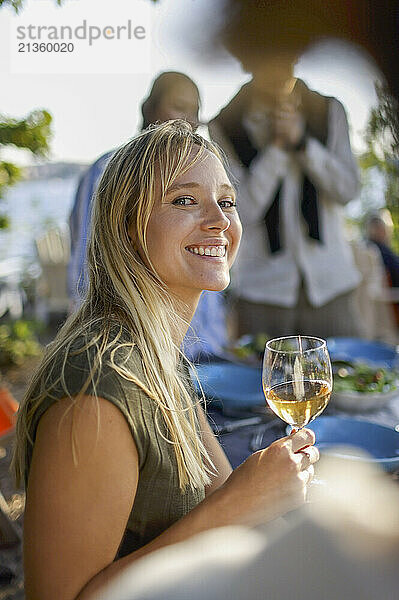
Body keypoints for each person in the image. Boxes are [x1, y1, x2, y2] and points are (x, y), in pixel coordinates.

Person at [13, 121, 319, 600]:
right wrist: (243, 503)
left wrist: (266, 496)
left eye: (227, 200)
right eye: (184, 200)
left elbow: (223, 496)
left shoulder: (158, 356)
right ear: (129, 227)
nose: (220, 219)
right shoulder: (98, 387)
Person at [68, 71, 227, 361]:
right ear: (148, 108)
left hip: (207, 358)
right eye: (179, 107)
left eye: (195, 113)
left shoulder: (201, 175)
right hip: (144, 355)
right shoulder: (107, 174)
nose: (188, 122)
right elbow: (86, 272)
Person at [209, 53, 362, 339]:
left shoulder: (329, 111)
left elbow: (348, 190)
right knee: (260, 382)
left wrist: (304, 144)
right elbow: (239, 212)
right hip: (263, 291)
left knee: (346, 380)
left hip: (332, 283)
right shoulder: (225, 125)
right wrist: (277, 149)